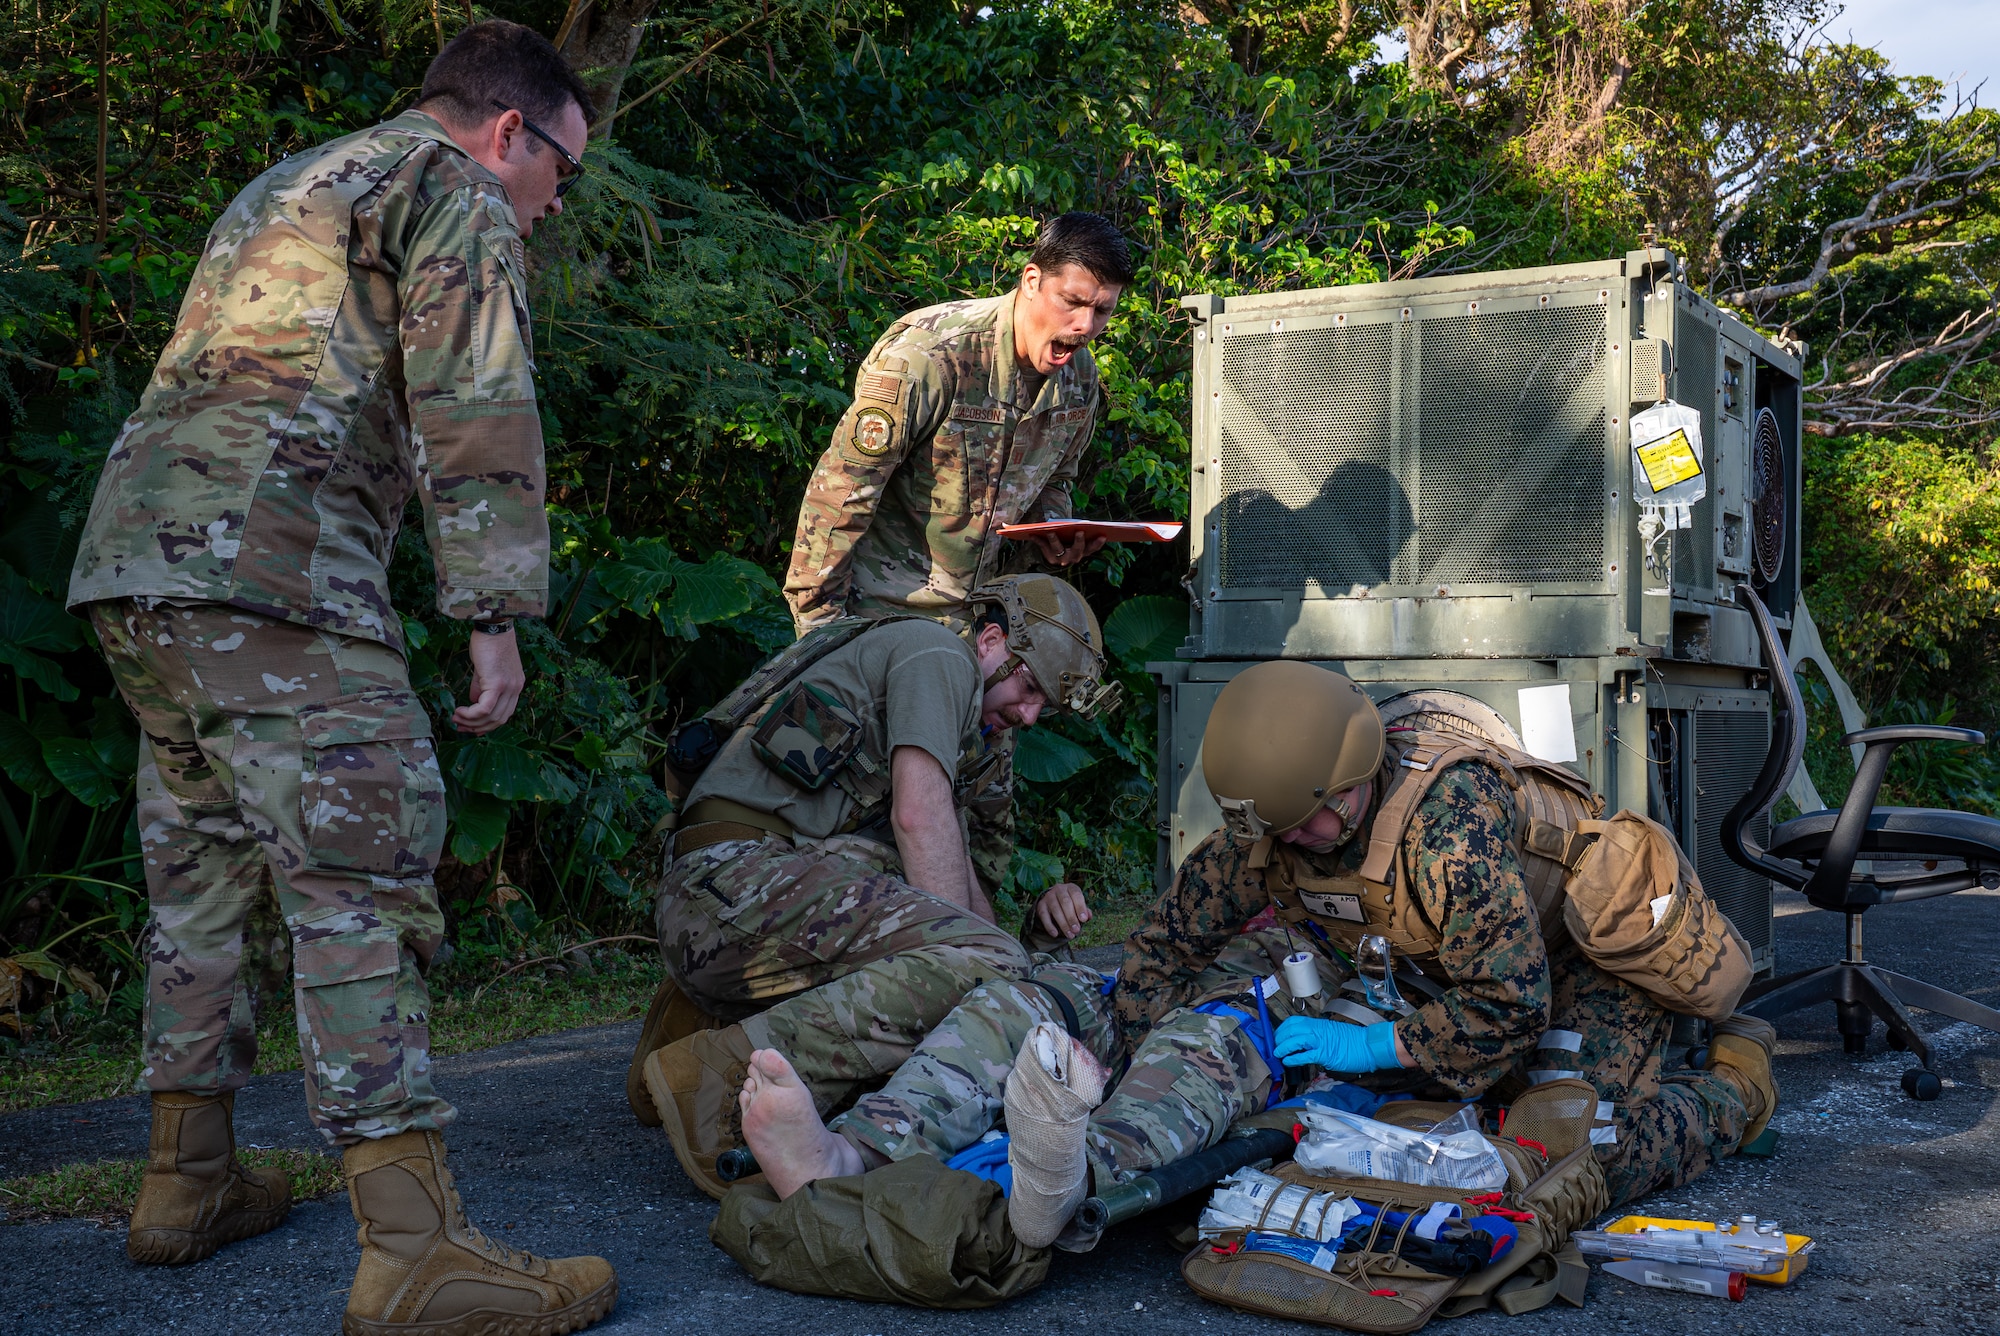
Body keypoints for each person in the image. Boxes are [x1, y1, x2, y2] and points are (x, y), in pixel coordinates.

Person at [66, 21, 617, 1336]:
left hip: (139, 568)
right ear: (507, 132)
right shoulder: (453, 188)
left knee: (201, 875)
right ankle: (415, 1252)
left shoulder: (293, 181)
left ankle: (187, 1178)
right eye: (563, 168)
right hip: (276, 574)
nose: (555, 200)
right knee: (358, 877)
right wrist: (492, 607)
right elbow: (473, 393)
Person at [736, 660, 1779, 1257]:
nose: (1291, 844)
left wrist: (1378, 1048)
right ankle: (859, 1149)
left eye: (1307, 824)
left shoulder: (1445, 825)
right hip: (1414, 964)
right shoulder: (1279, 815)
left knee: (1570, 1149)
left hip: (1570, 964)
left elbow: (1507, 1006)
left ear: (1351, 785)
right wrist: (1113, 1034)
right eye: (1276, 828)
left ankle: (1736, 1085)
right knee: (1081, 995)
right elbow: (1171, 938)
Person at [638, 573, 1117, 1200]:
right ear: (990, 641)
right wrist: (983, 968)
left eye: (1043, 707)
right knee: (976, 961)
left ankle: (704, 1018)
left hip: (727, 899)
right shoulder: (940, 654)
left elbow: (952, 865)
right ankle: (719, 1074)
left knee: (983, 955)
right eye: (1028, 687)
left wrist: (1011, 965)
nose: (1027, 714)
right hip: (732, 883)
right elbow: (918, 819)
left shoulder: (944, 702)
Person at [783, 211, 1134, 893]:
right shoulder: (932, 353)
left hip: (984, 640)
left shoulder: (1079, 381)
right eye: (1073, 302)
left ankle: (975, 947)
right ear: (1031, 280)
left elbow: (1054, 482)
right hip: (879, 622)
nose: (1085, 326)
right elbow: (841, 493)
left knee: (970, 838)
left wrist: (1056, 531)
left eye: (1102, 311)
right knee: (833, 814)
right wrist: (818, 638)